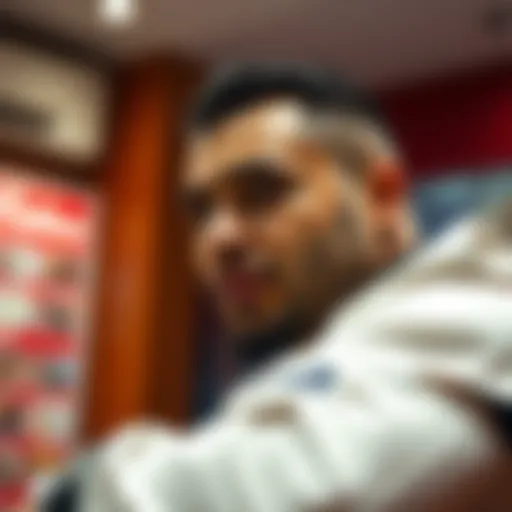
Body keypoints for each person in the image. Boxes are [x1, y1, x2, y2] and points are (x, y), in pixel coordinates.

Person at [45, 64, 511, 511]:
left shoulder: (480, 314)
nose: (220, 238)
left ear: (382, 196)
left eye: (263, 191)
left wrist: (84, 490)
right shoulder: (320, 369)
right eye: (202, 212)